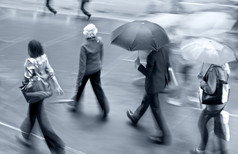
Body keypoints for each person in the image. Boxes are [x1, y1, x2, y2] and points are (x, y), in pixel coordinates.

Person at [17, 40, 65, 154]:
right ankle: (25, 135)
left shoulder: (30, 62)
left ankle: (57, 146)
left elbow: (30, 77)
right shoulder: (44, 58)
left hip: (35, 92)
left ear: (31, 50)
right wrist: (57, 86)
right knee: (32, 114)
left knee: (41, 120)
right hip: (43, 91)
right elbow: (51, 72)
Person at [126, 46, 172, 145]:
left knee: (156, 110)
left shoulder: (152, 55)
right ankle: (135, 117)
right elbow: (167, 64)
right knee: (146, 99)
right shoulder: (165, 49)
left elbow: (148, 73)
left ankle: (164, 135)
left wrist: (138, 66)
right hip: (161, 81)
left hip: (153, 85)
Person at [68, 24, 109, 119]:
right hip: (97, 69)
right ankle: (104, 109)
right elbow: (101, 54)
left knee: (80, 87)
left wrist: (79, 80)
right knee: (98, 89)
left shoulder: (84, 47)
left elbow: (82, 66)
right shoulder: (100, 41)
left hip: (87, 71)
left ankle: (75, 104)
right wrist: (100, 64)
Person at [190, 63, 230, 154]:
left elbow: (211, 89)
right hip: (221, 102)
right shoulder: (224, 66)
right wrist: (204, 78)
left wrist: (202, 82)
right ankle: (223, 151)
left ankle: (201, 150)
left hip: (213, 105)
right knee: (219, 128)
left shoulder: (213, 69)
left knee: (201, 124)